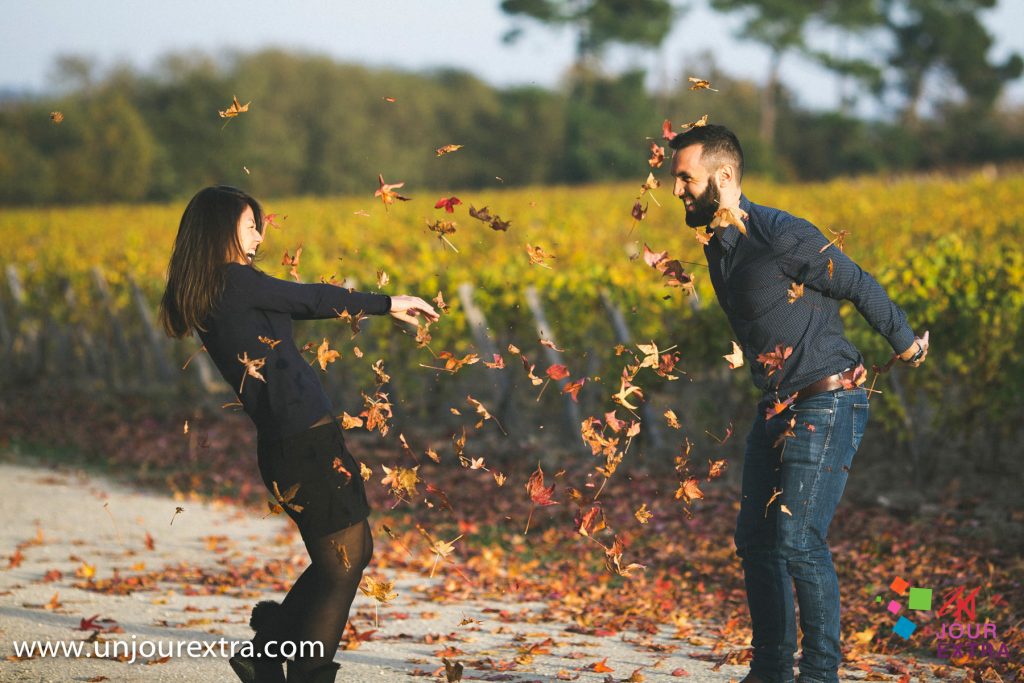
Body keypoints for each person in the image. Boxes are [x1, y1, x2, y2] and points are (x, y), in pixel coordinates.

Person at [667, 125, 928, 683]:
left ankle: (819, 674)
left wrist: (904, 342)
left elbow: (856, 283)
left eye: (686, 178)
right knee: (756, 541)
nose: (677, 191)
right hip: (779, 406)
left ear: (725, 176)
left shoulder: (781, 234)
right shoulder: (718, 245)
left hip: (826, 401)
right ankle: (769, 673)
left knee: (798, 538)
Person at [158, 185, 439, 683]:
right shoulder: (232, 281)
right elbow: (309, 297)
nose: (259, 235)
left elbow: (296, 303)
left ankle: (268, 652)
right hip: (301, 442)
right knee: (343, 561)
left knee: (351, 554)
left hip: (295, 440)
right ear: (219, 230)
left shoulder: (217, 288)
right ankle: (291, 668)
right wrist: (388, 301)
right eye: (249, 225)